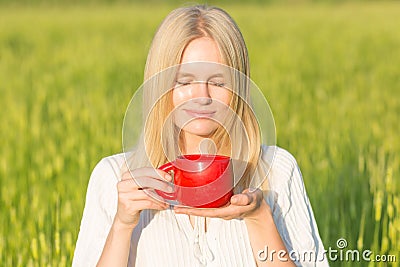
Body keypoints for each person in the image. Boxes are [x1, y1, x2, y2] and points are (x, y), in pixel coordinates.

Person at [72, 5, 329, 267]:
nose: (202, 97)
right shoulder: (115, 178)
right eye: (184, 82)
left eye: (218, 83)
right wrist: (122, 225)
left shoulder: (277, 170)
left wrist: (259, 217)